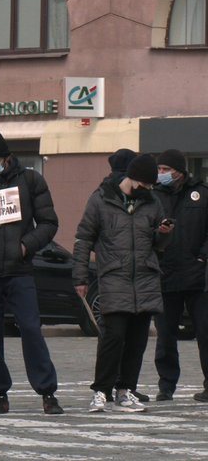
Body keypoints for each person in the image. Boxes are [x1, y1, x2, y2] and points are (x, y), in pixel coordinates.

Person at [0, 126, 64, 415]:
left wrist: (26, 245)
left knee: (30, 329)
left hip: (19, 270)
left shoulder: (30, 180)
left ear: (7, 158)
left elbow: (49, 223)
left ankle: (47, 391)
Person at [74, 154, 170, 413]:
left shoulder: (152, 203)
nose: (148, 189)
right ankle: (101, 391)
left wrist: (163, 234)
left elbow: (159, 245)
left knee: (137, 340)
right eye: (145, 184)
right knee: (113, 337)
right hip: (114, 277)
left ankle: (126, 390)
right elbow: (83, 239)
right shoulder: (100, 199)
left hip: (145, 279)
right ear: (133, 179)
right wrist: (80, 277)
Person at [152, 149, 208, 402]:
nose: (161, 174)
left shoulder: (202, 194)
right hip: (166, 275)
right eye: (159, 169)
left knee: (205, 333)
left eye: (166, 169)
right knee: (165, 336)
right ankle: (166, 386)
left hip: (197, 277)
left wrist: (202, 257)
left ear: (180, 171)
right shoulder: (154, 195)